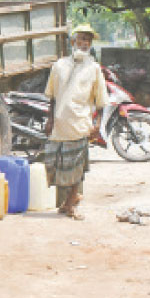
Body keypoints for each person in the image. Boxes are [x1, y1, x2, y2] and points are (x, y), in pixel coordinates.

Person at [43, 24, 108, 220]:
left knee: (77, 168)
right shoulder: (59, 65)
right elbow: (52, 96)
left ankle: (71, 205)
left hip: (80, 125)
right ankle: (68, 202)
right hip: (60, 125)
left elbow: (101, 101)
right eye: (80, 39)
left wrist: (98, 126)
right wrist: (50, 119)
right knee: (56, 166)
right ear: (73, 41)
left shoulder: (94, 68)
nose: (83, 43)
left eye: (87, 40)